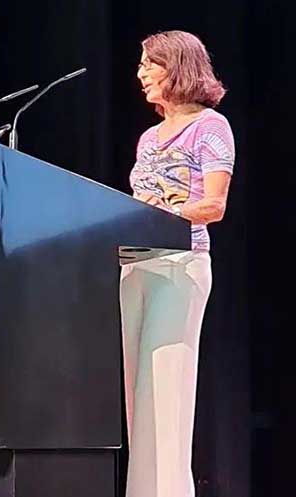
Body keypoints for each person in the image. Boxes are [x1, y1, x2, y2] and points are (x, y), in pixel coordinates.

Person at [120, 30, 235, 497]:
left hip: (179, 267)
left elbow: (213, 206)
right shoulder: (148, 138)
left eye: (151, 64)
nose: (141, 73)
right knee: (138, 405)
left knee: (167, 398)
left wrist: (158, 212)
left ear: (179, 68)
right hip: (135, 268)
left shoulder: (211, 127)